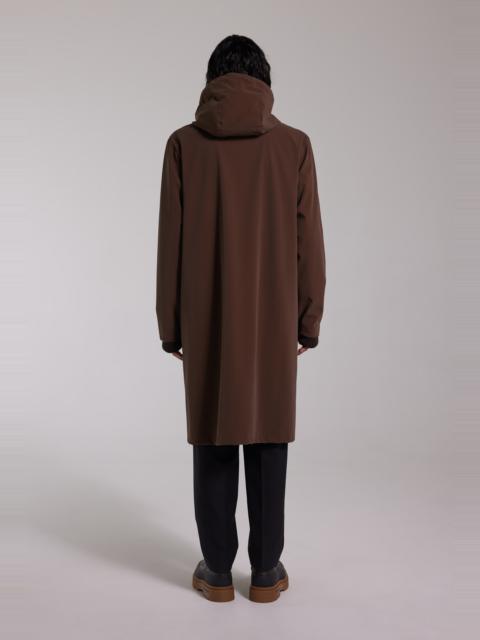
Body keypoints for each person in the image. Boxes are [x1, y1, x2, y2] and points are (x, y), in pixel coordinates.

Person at [156, 35, 326, 603]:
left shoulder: (183, 145)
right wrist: (307, 320)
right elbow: (309, 240)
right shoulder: (295, 146)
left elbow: (170, 243)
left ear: (212, 81)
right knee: (269, 433)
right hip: (274, 318)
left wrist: (171, 326)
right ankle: (268, 570)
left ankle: (217, 570)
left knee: (213, 431)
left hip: (206, 319)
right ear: (265, 81)